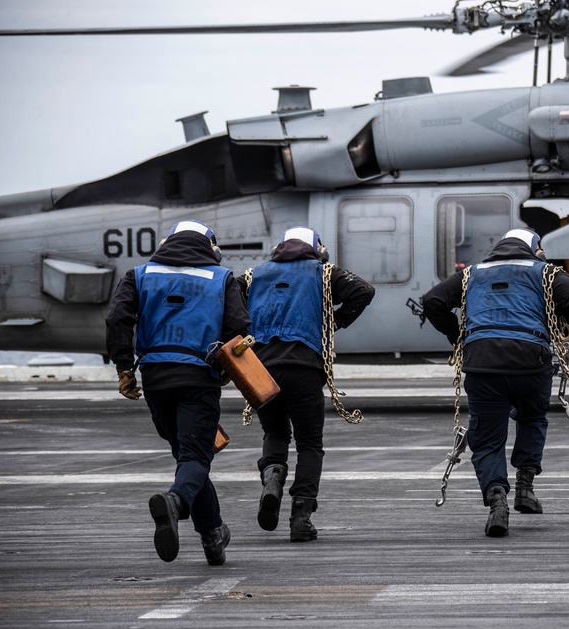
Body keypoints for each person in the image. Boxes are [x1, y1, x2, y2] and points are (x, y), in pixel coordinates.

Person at [421, 228, 569, 537]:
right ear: (534, 248)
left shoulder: (472, 273)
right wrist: (563, 316)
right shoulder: (544, 271)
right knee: (532, 417)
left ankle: (497, 499)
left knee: (486, 437)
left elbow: (432, 300)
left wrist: (454, 334)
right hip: (531, 360)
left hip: (482, 361)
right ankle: (525, 488)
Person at [106, 219, 250, 565]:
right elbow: (240, 330)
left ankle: (213, 535)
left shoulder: (139, 275)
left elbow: (117, 319)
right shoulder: (221, 278)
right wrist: (229, 372)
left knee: (188, 456)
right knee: (195, 458)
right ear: (209, 247)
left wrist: (124, 368)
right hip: (198, 378)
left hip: (156, 379)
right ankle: (174, 502)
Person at [239, 227, 375, 542]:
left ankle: (272, 477)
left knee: (274, 432)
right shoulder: (323, 272)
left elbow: (227, 300)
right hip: (303, 367)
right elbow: (363, 291)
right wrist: (336, 321)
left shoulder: (253, 275)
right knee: (309, 445)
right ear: (316, 248)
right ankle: (300, 518)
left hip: (260, 368)